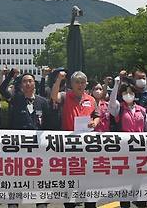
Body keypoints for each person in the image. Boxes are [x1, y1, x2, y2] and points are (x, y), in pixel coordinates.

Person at [50, 70, 99, 208]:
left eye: (83, 82)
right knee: (71, 179)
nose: (80, 85)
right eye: (77, 82)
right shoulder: (65, 96)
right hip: (69, 145)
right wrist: (59, 80)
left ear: (86, 84)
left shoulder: (91, 99)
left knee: (89, 178)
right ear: (71, 84)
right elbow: (54, 96)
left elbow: (97, 115)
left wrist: (95, 123)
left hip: (87, 145)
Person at [108, 72, 147, 208]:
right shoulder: (119, 108)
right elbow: (111, 104)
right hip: (124, 152)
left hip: (140, 151)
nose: (128, 94)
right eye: (125, 92)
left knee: (140, 181)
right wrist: (115, 85)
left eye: (131, 92)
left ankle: (141, 203)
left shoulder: (142, 110)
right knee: (124, 183)